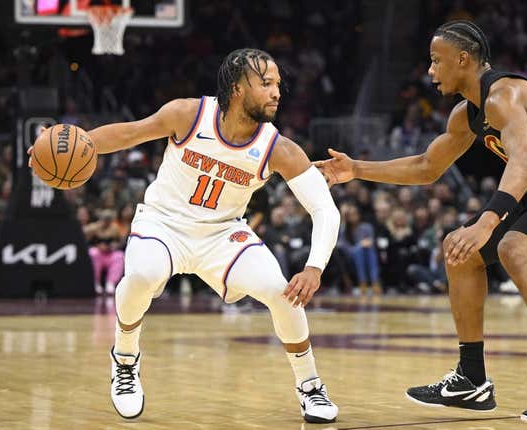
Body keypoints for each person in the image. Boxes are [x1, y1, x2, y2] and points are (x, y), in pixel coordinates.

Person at [316, 20, 527, 426]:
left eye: (436, 61)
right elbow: (427, 166)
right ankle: (471, 378)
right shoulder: (467, 115)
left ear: (463, 59)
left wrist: (486, 221)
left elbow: (525, 161)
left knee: (513, 247)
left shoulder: (504, 95)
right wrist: (356, 169)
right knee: (459, 250)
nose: (430, 71)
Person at [29, 48, 340, 424]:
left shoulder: (278, 148)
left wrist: (314, 268)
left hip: (222, 234)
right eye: (267, 83)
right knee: (143, 277)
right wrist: (67, 143)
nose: (277, 92)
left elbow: (324, 209)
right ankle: (125, 360)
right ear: (238, 88)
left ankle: (310, 388)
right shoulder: (189, 114)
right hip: (163, 223)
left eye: (277, 84)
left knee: (281, 292)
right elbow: (129, 134)